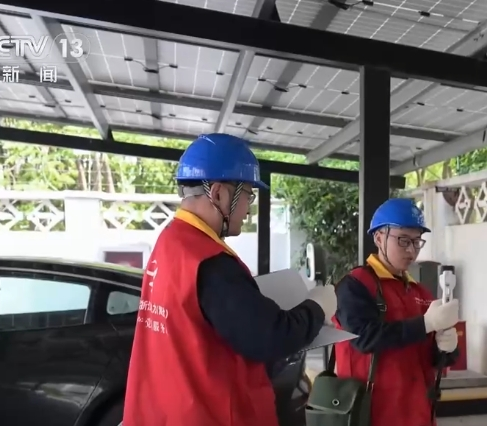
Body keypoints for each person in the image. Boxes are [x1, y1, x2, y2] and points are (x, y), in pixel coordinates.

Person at [122, 134, 338, 426]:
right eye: (248, 194)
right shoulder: (209, 261)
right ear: (219, 194)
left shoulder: (171, 242)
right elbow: (271, 337)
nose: (248, 209)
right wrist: (317, 307)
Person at [332, 198, 461, 426]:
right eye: (403, 240)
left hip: (418, 413)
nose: (411, 250)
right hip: (371, 414)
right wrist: (425, 324)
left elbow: (430, 357)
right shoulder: (355, 285)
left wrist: (447, 349)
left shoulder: (420, 292)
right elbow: (364, 338)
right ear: (379, 237)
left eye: (417, 242)